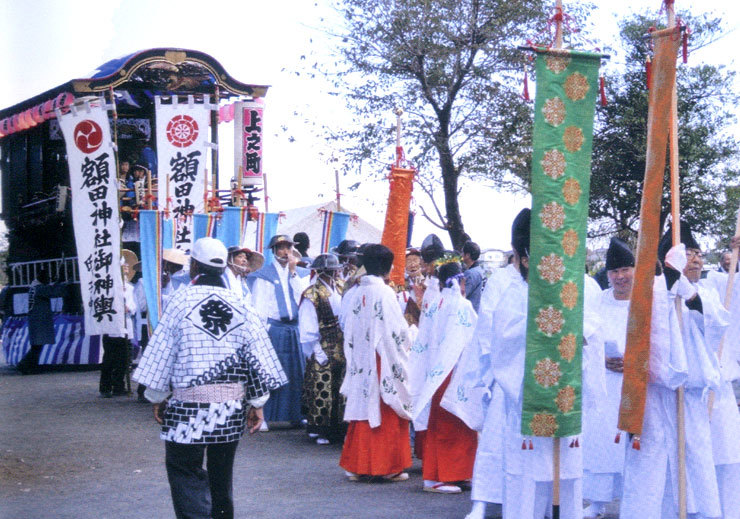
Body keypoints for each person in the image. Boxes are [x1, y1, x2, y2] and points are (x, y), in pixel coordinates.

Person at [133, 237, 287, 519]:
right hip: (229, 410)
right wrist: (257, 402)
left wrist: (156, 396)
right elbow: (255, 357)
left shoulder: (179, 302)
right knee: (222, 474)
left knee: (184, 470)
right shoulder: (240, 304)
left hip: (186, 408)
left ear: (194, 267)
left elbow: (162, 352)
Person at [620, 223, 724, 519]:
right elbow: (647, 332)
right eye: (688, 254)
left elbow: (715, 325)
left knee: (695, 455)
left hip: (689, 395)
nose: (696, 260)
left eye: (698, 254)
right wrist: (667, 288)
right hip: (656, 391)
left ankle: (700, 513)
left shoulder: (705, 292)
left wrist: (688, 293)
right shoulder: (650, 291)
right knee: (651, 458)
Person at [339, 244, 414, 482]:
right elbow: (396, 331)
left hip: (360, 356)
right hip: (382, 357)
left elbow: (346, 326)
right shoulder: (384, 293)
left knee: (361, 407)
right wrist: (412, 335)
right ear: (387, 267)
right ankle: (386, 466)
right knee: (385, 407)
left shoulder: (354, 292)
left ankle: (356, 464)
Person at [411, 259, 478, 493]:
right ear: (460, 280)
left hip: (436, 371)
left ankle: (456, 473)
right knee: (453, 425)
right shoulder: (462, 306)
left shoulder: (434, 303)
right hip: (455, 371)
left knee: (446, 425)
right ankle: (439, 476)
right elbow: (472, 340)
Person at [582, 238, 635, 518]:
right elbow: (585, 338)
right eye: (614, 272)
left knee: (633, 446)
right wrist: (602, 359)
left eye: (625, 269)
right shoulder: (598, 302)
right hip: (604, 383)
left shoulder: (645, 301)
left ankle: (633, 501)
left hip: (636, 384)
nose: (620, 277)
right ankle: (598, 503)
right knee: (602, 442)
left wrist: (635, 362)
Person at [248, 235, 310, 428]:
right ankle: (264, 416)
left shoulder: (299, 273)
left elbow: (303, 297)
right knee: (270, 372)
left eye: (288, 248)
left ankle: (296, 414)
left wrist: (293, 272)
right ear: (273, 251)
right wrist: (261, 331)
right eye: (280, 248)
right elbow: (259, 305)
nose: (284, 252)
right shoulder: (264, 275)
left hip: (295, 328)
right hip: (274, 328)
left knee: (297, 373)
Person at [299, 253, 346, 445]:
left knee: (341, 386)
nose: (335, 274)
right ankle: (320, 429)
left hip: (341, 343)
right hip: (322, 342)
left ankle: (339, 427)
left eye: (335, 271)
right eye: (331, 271)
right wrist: (316, 349)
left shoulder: (343, 287)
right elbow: (308, 324)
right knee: (322, 386)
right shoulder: (312, 293)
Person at [99, 251, 138, 397]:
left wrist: (128, 308)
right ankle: (105, 387)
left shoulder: (130, 288)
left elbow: (134, 307)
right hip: (112, 327)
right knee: (109, 359)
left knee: (124, 360)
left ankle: (118, 386)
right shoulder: (108, 287)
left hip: (126, 327)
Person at [16, 268, 65, 374]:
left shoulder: (34, 287)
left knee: (36, 346)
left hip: (35, 319)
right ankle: (25, 365)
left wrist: (56, 283)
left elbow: (49, 289)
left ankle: (30, 366)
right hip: (39, 320)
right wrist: (61, 283)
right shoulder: (39, 288)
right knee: (37, 346)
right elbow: (53, 292)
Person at [461, 241, 486, 312]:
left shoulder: (470, 274)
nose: (461, 255)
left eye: (462, 252)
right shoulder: (481, 270)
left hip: (470, 313)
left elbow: (462, 295)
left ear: (467, 255)